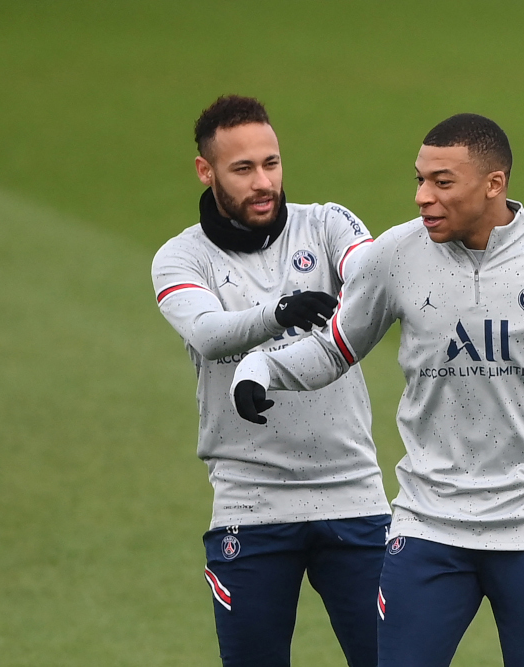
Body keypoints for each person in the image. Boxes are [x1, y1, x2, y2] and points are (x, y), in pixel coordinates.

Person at [231, 113, 524, 667]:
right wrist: (262, 367)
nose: (423, 196)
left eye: (442, 182)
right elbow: (335, 348)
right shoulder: (396, 255)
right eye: (419, 179)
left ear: (494, 184)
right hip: (429, 524)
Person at [151, 95, 391, 667]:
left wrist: (363, 285)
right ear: (206, 172)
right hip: (251, 503)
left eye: (272, 164)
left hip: (353, 493)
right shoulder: (180, 258)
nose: (264, 182)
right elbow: (210, 334)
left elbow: (371, 273)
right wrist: (280, 313)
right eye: (243, 169)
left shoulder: (328, 223)